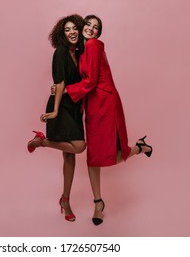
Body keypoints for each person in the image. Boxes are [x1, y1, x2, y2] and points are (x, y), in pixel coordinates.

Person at [54, 15, 153, 225]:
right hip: (93, 103)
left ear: (98, 33)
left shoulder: (92, 45)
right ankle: (100, 200)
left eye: (95, 27)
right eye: (88, 24)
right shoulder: (82, 49)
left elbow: (89, 82)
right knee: (94, 156)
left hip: (103, 103)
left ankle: (99, 202)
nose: (91, 29)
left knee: (97, 157)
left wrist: (63, 92)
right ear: (82, 28)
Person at [27, 14, 86, 222]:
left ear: (79, 30)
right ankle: (43, 141)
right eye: (67, 29)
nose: (72, 32)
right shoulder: (60, 53)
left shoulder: (79, 52)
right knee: (79, 146)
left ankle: (65, 200)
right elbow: (59, 84)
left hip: (76, 107)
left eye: (75, 29)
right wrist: (54, 111)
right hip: (60, 106)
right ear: (62, 33)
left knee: (70, 156)